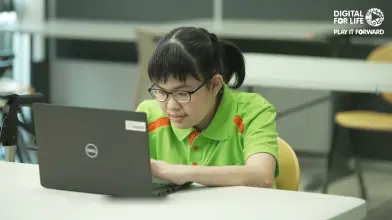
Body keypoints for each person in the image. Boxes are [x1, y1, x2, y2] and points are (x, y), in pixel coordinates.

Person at [136, 27, 279, 188]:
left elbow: (262, 176)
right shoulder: (148, 115)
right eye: (161, 91)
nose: (171, 106)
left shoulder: (253, 111)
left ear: (214, 85)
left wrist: (179, 172)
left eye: (182, 93)